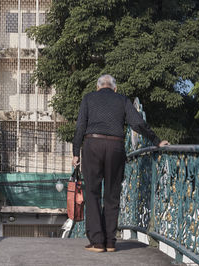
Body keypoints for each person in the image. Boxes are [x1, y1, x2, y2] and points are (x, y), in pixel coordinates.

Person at [72, 74, 169, 253]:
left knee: (92, 193)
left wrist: (75, 152)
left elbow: (80, 126)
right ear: (114, 88)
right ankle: (110, 242)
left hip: (92, 145)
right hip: (116, 147)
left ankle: (97, 242)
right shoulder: (122, 99)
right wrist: (156, 140)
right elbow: (137, 123)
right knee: (112, 194)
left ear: (97, 86)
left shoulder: (88, 98)